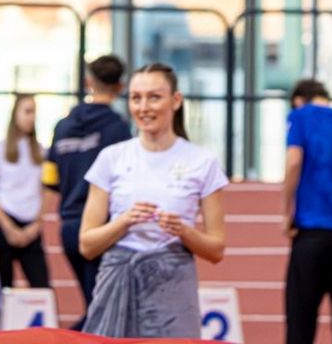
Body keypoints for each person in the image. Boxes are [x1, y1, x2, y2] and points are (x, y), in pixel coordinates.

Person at [79, 61, 227, 338]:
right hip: (116, 284)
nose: (144, 107)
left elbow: (216, 250)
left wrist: (183, 231)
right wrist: (124, 222)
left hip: (174, 291)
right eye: (136, 98)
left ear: (176, 101)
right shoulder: (111, 158)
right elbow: (87, 244)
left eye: (154, 97)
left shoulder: (202, 162)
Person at [45, 54, 130, 326]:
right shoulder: (118, 129)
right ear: (121, 87)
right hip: (101, 229)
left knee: (97, 306)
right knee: (103, 310)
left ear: (87, 82)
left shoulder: (62, 126)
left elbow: (49, 179)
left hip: (70, 227)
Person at [283, 78, 332, 344]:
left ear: (298, 100)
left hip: (311, 232)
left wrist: (287, 210)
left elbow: (294, 161)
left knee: (300, 320)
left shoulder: (300, 116)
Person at [0, 94, 49, 293]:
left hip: (31, 228)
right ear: (15, 114)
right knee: (3, 294)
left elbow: (47, 191)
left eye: (34, 112)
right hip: (3, 226)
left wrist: (35, 226)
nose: (31, 117)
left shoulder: (42, 152)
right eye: (27, 111)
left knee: (43, 291)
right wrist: (8, 227)